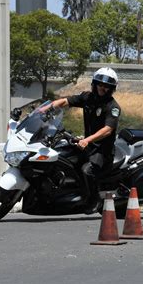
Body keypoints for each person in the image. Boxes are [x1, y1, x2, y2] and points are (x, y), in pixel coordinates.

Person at [43, 67, 121, 214]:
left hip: (102, 151)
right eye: (100, 84)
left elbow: (108, 130)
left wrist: (87, 140)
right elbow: (66, 101)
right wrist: (46, 109)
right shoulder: (87, 97)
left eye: (106, 87)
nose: (102, 88)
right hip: (88, 146)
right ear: (94, 84)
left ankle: (94, 200)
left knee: (87, 170)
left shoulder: (113, 107)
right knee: (65, 160)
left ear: (111, 89)